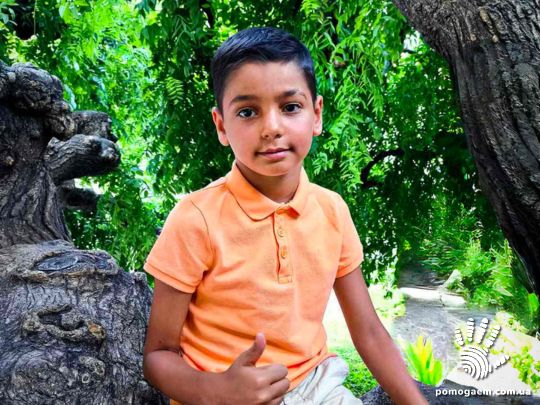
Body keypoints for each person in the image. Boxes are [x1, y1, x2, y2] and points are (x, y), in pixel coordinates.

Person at [142, 27, 428, 405]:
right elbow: (158, 355)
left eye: (290, 107)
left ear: (316, 115)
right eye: (248, 112)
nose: (272, 128)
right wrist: (217, 390)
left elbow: (369, 332)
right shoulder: (195, 218)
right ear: (221, 125)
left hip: (317, 386)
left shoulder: (332, 211)